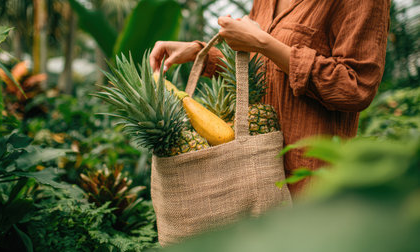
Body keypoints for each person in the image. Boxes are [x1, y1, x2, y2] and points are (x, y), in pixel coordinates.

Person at [149, 0, 391, 197]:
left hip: (311, 186)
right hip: (256, 178)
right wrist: (197, 52)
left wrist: (262, 42)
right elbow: (260, 68)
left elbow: (356, 87)